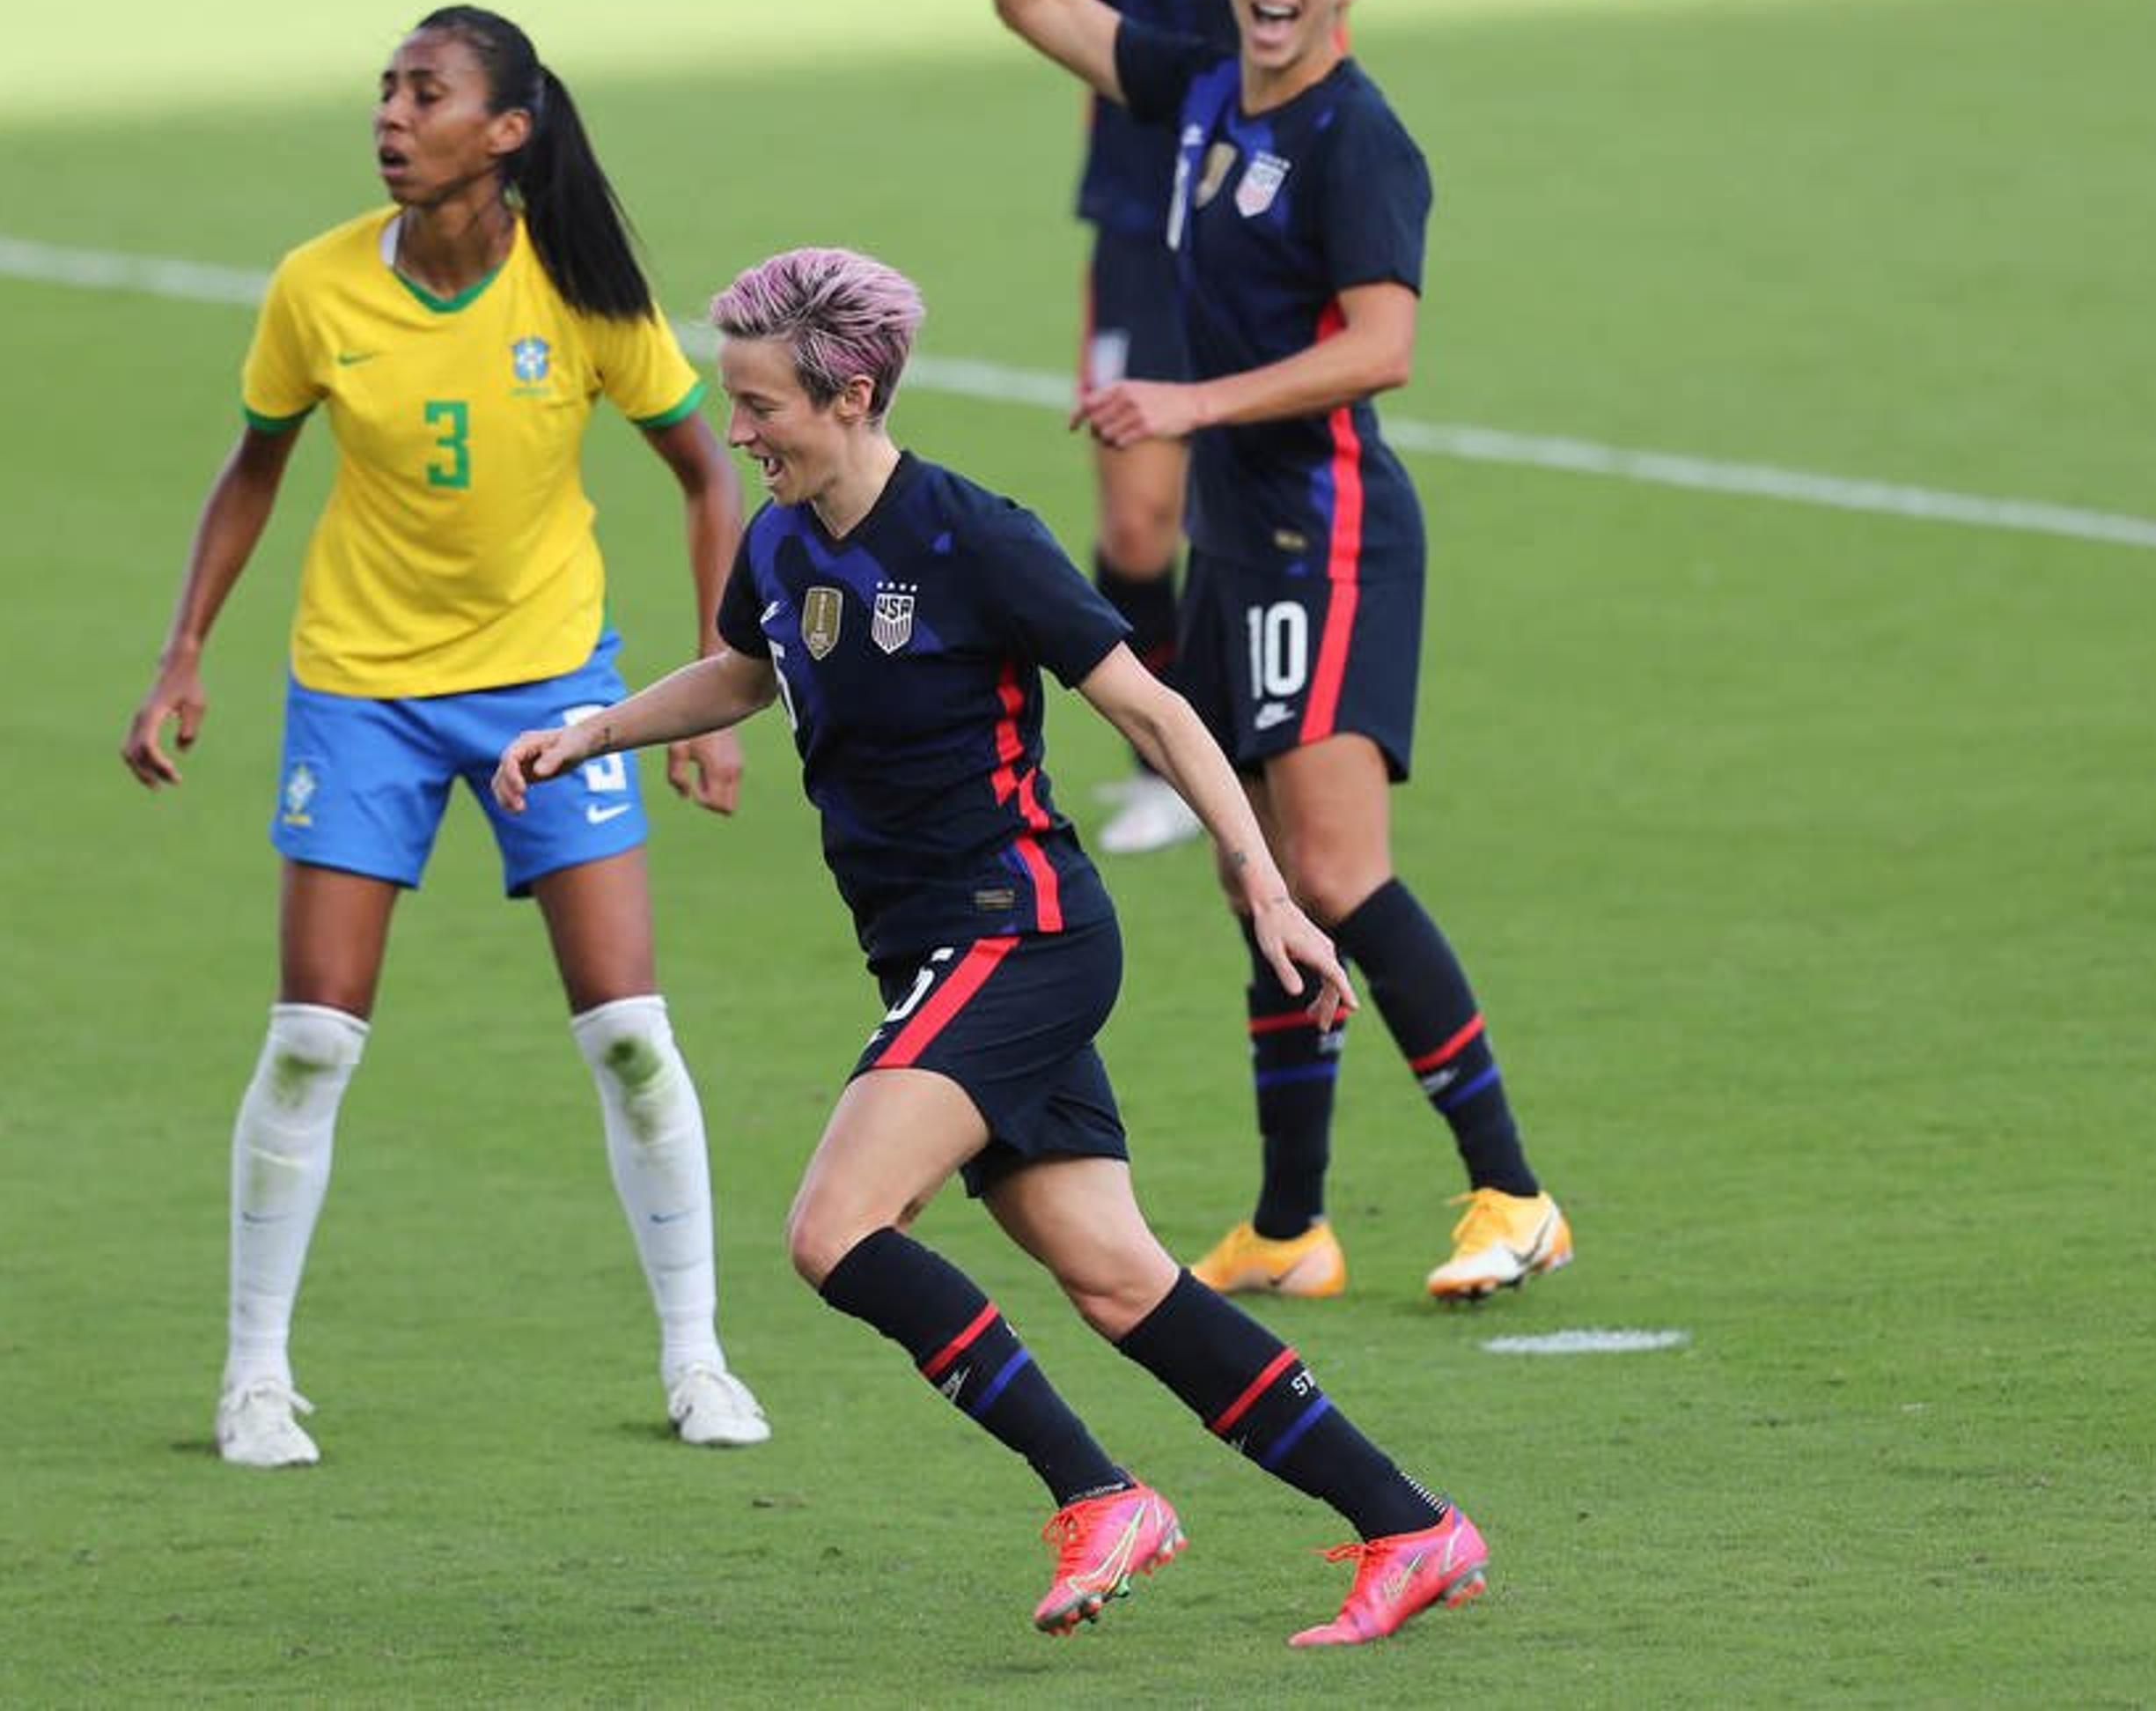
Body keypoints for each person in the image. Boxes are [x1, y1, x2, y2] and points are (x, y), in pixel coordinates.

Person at [491, 247, 1490, 1648]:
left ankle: (1099, 1491)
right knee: (1116, 1274)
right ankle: (1411, 1524)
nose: (739, 430)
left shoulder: (974, 535)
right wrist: (591, 725)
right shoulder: (777, 539)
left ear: (848, 394)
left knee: (834, 1229)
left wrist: (1263, 885)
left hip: (1018, 932)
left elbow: (1158, 713)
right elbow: (746, 666)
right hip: (929, 955)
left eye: (762, 404)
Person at [852, 0, 1634, 855]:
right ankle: (1172, 745)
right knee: (1137, 517)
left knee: (1245, 486)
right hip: (1137, 218)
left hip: (1267, 238)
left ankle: (1225, 742)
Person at [121, 4, 769, 1464]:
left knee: (632, 1037)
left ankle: (697, 1357)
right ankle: (254, 1377)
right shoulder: (317, 286)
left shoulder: (586, 293)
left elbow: (706, 472)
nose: (392, 115)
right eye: (387, 90)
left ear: (508, 130)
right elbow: (254, 465)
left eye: (428, 93)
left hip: (556, 692)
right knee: (309, 1037)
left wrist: (717, 674)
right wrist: (183, 652)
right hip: (359, 689)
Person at [986, 0, 1572, 1304]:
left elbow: (1383, 345)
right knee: (1264, 872)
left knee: (1336, 865)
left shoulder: (1356, 138)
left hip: (1330, 529)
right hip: (1242, 543)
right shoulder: (1191, 83)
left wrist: (1186, 405)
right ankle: (1292, 1220)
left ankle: (1511, 1186)